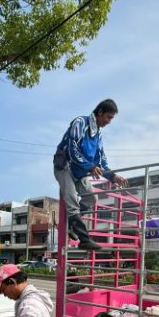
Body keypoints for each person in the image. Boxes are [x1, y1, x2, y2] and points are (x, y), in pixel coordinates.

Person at [54, 98, 129, 250]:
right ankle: (84, 239)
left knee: (91, 199)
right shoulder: (80, 122)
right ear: (100, 112)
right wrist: (89, 165)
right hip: (65, 166)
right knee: (72, 199)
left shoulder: (99, 136)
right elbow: (72, 147)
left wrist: (112, 176)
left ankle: (71, 226)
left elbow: (101, 160)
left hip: (80, 171)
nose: (109, 122)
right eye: (108, 117)